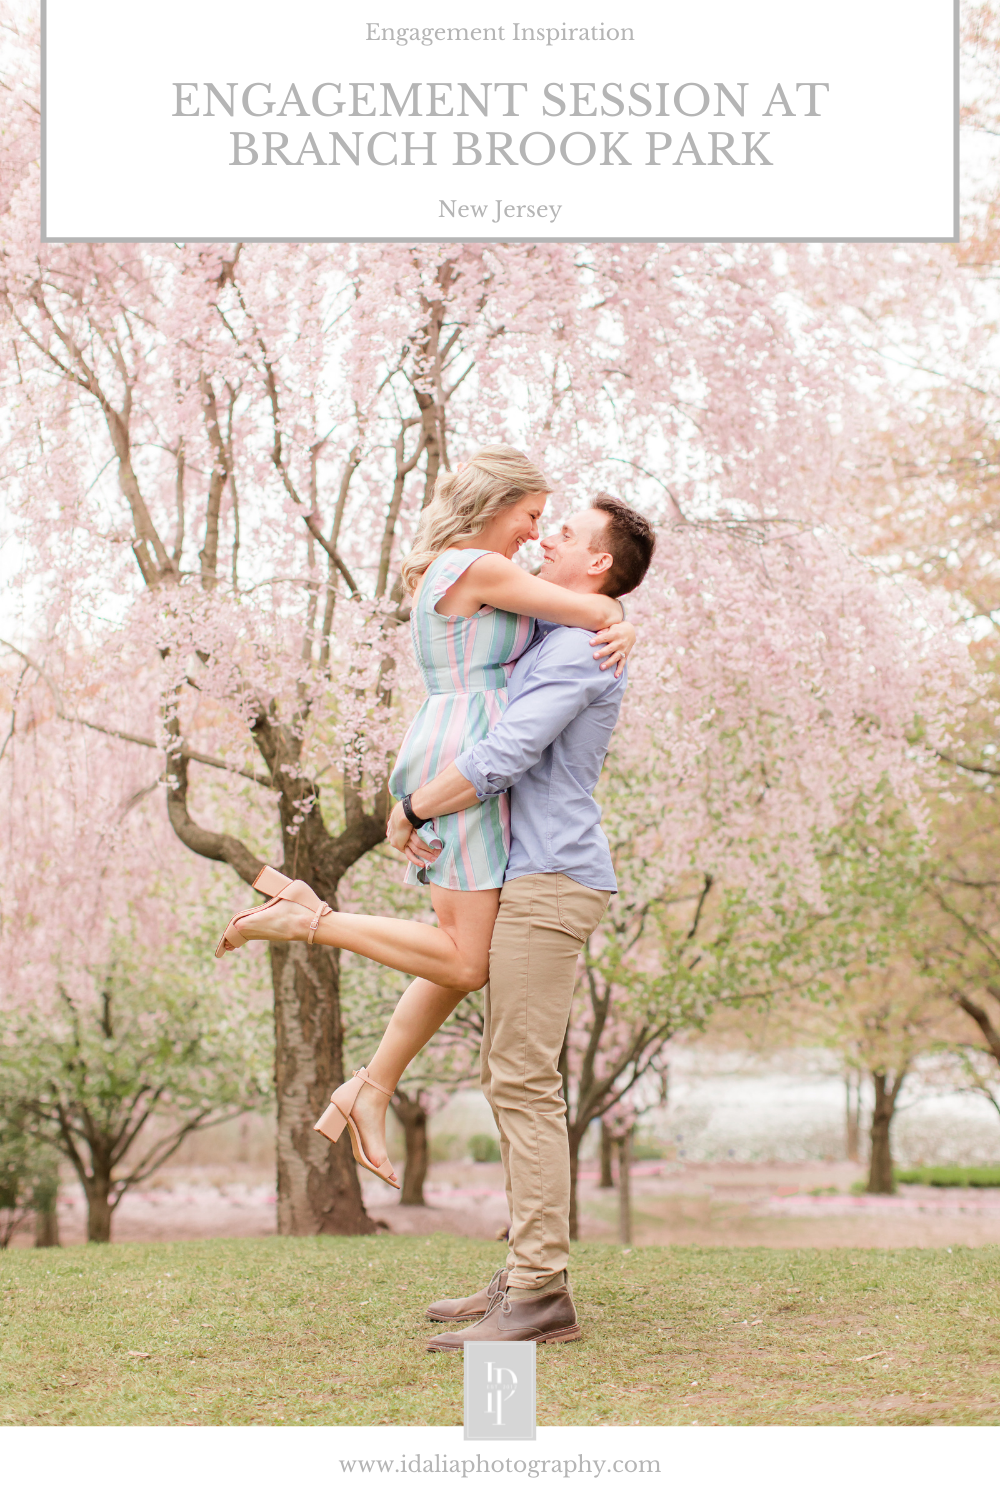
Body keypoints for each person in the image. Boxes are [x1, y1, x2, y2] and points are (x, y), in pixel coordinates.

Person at [215, 447, 635, 1188]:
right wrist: (619, 618)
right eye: (533, 516)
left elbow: (581, 606)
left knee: (460, 947)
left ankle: (370, 1084)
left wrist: (613, 611)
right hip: (466, 752)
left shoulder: (483, 571)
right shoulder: (475, 567)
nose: (537, 535)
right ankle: (308, 918)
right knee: (466, 958)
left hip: (463, 744)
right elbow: (593, 606)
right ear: (497, 504)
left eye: (548, 523)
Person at [384, 492, 656, 1350]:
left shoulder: (579, 653)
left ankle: (540, 1294)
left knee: (524, 1079)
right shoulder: (565, 626)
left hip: (550, 877)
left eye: (566, 533)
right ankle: (525, 1273)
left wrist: (413, 808)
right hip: (526, 872)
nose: (547, 537)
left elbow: (506, 756)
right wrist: (618, 612)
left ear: (600, 563)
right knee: (514, 1078)